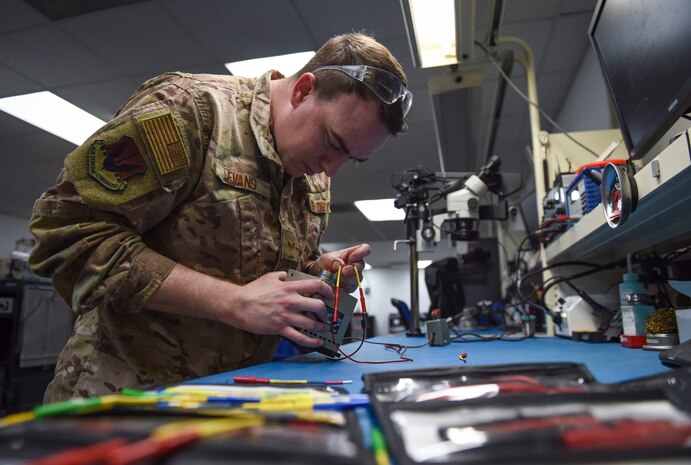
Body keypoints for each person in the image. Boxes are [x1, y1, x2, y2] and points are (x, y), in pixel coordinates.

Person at [28, 32, 411, 402]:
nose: (331, 169)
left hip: (229, 399)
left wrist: (316, 275)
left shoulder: (311, 172)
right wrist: (234, 302)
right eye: (333, 142)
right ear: (303, 90)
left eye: (352, 158)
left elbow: (256, 271)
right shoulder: (187, 111)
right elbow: (68, 235)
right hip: (125, 400)